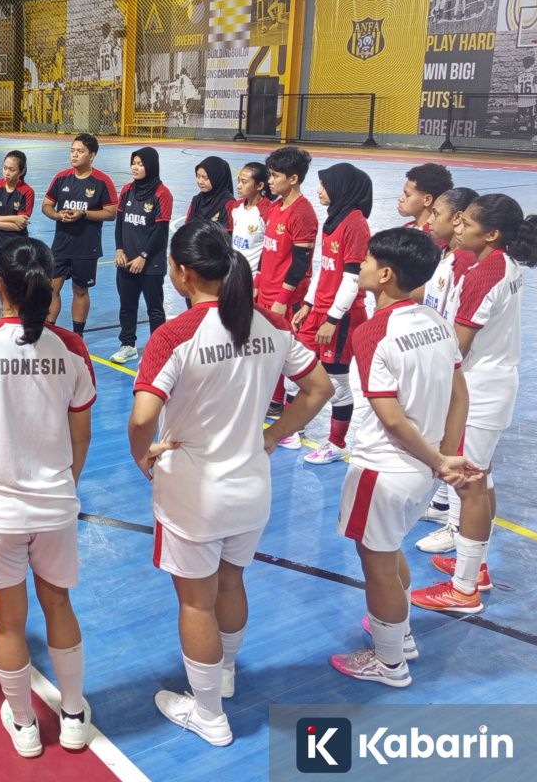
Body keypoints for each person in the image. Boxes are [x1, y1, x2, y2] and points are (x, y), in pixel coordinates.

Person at [129, 219, 332, 746]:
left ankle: (209, 715)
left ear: (182, 271)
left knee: (196, 602)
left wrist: (141, 454)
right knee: (232, 582)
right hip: (252, 485)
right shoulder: (270, 323)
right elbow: (319, 388)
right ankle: (223, 674)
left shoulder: (175, 335)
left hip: (195, 493)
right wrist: (274, 434)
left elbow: (142, 415)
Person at [0, 237, 96, 758]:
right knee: (59, 604)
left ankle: (25, 724)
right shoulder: (71, 348)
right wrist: (66, 484)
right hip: (55, 505)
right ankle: (73, 716)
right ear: (48, 287)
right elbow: (82, 435)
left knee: (10, 621)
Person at [329, 227, 478, 688]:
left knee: (377, 566)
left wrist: (439, 460)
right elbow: (460, 395)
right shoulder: (436, 320)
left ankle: (389, 663)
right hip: (421, 468)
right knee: (390, 550)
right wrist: (444, 456)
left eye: (367, 261)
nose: (361, 266)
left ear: (386, 274)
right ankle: (402, 635)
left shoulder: (372, 332)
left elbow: (391, 419)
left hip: (384, 468)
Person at [411, 194, 537, 614]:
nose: (458, 227)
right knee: (481, 482)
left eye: (467, 223)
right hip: (493, 386)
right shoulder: (502, 263)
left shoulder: (485, 273)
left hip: (479, 392)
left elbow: (458, 348)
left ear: (491, 234)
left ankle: (464, 589)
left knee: (468, 485)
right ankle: (476, 568)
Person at [290, 163, 374, 464]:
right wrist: (308, 305)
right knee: (297, 369)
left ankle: (337, 444)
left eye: (324, 185)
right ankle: (293, 427)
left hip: (341, 317)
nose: (319, 190)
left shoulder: (355, 224)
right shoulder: (334, 219)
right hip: (320, 311)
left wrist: (332, 319)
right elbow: (325, 269)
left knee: (337, 382)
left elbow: (352, 279)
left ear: (341, 188)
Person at [414, 187, 480, 539]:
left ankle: (457, 525)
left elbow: (460, 324)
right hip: (441, 358)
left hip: (456, 367)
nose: (431, 220)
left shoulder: (466, 262)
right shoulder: (447, 257)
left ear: (457, 219)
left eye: (437, 214)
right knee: (446, 437)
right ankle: (442, 504)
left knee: (458, 442)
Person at [257, 147, 318, 424]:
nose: (270, 181)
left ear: (293, 179)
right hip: (266, 290)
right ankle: (272, 399)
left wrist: (283, 298)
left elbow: (300, 262)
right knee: (267, 348)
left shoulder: (303, 213)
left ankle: (283, 406)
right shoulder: (274, 207)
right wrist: (257, 283)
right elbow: (267, 250)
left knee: (285, 350)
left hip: (286, 297)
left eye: (275, 176)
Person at [41, 133, 118, 333]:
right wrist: (57, 215)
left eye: (80, 151)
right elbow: (46, 205)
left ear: (91, 155)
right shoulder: (61, 178)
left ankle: (78, 335)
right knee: (51, 288)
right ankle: (48, 331)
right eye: (72, 150)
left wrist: (84, 213)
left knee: (80, 290)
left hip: (86, 246)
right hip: (61, 245)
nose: (74, 155)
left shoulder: (102, 181)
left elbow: (111, 213)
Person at [110, 147, 172, 364]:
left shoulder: (162, 194)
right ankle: (128, 345)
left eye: (140, 164)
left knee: (154, 309)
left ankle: (159, 348)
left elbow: (160, 231)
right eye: (133, 163)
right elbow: (120, 223)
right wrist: (119, 249)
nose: (135, 167)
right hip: (126, 261)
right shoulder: (127, 190)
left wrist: (143, 256)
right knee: (127, 306)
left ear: (151, 166)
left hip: (150, 263)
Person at [0, 151, 35, 323]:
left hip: (16, 251)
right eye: (5, 168)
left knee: (11, 297)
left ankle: (17, 327)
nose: (7, 172)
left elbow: (20, 225)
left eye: (12, 169)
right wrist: (12, 218)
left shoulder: (27, 192)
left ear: (22, 171)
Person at [231, 162, 274, 279]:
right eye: (238, 181)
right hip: (234, 276)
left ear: (259, 186)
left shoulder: (268, 212)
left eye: (244, 182)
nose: (239, 186)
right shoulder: (235, 207)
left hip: (253, 279)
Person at [397, 163, 453, 234]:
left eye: (407, 195)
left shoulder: (434, 236)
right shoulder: (407, 228)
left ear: (427, 200)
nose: (400, 198)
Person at [185, 156, 235, 231]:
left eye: (205, 178)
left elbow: (227, 234)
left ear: (217, 178)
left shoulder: (228, 203)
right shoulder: (196, 200)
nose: (200, 182)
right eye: (198, 176)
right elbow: (186, 228)